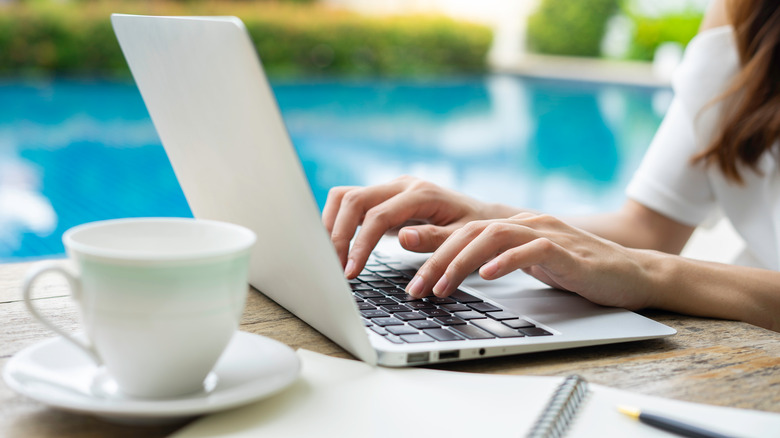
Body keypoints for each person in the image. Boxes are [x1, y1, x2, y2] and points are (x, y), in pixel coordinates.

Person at [322, 0, 780, 332]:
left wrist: (650, 274)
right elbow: (650, 227)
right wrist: (489, 220)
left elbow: (649, 255)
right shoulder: (744, 12)